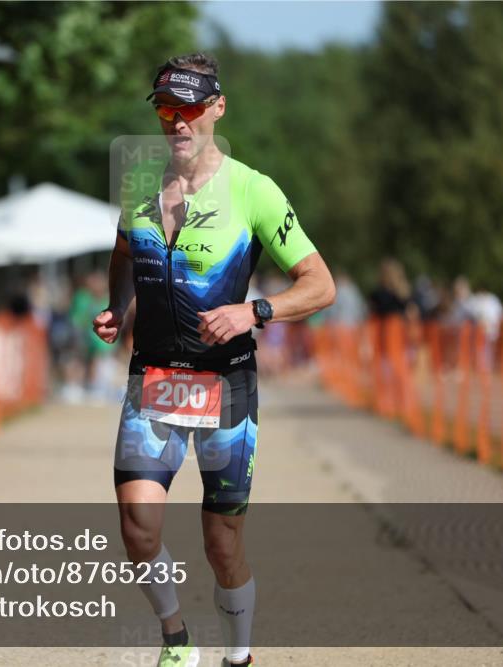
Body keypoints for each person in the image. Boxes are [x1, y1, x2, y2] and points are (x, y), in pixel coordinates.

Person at [92, 53, 335, 667]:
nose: (178, 122)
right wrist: (119, 305)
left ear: (217, 109)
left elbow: (320, 285)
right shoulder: (139, 187)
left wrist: (255, 312)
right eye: (167, 110)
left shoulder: (253, 190)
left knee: (221, 543)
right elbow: (123, 255)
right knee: (137, 526)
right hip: (153, 377)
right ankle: (177, 640)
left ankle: (240, 656)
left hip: (226, 384)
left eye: (191, 108)